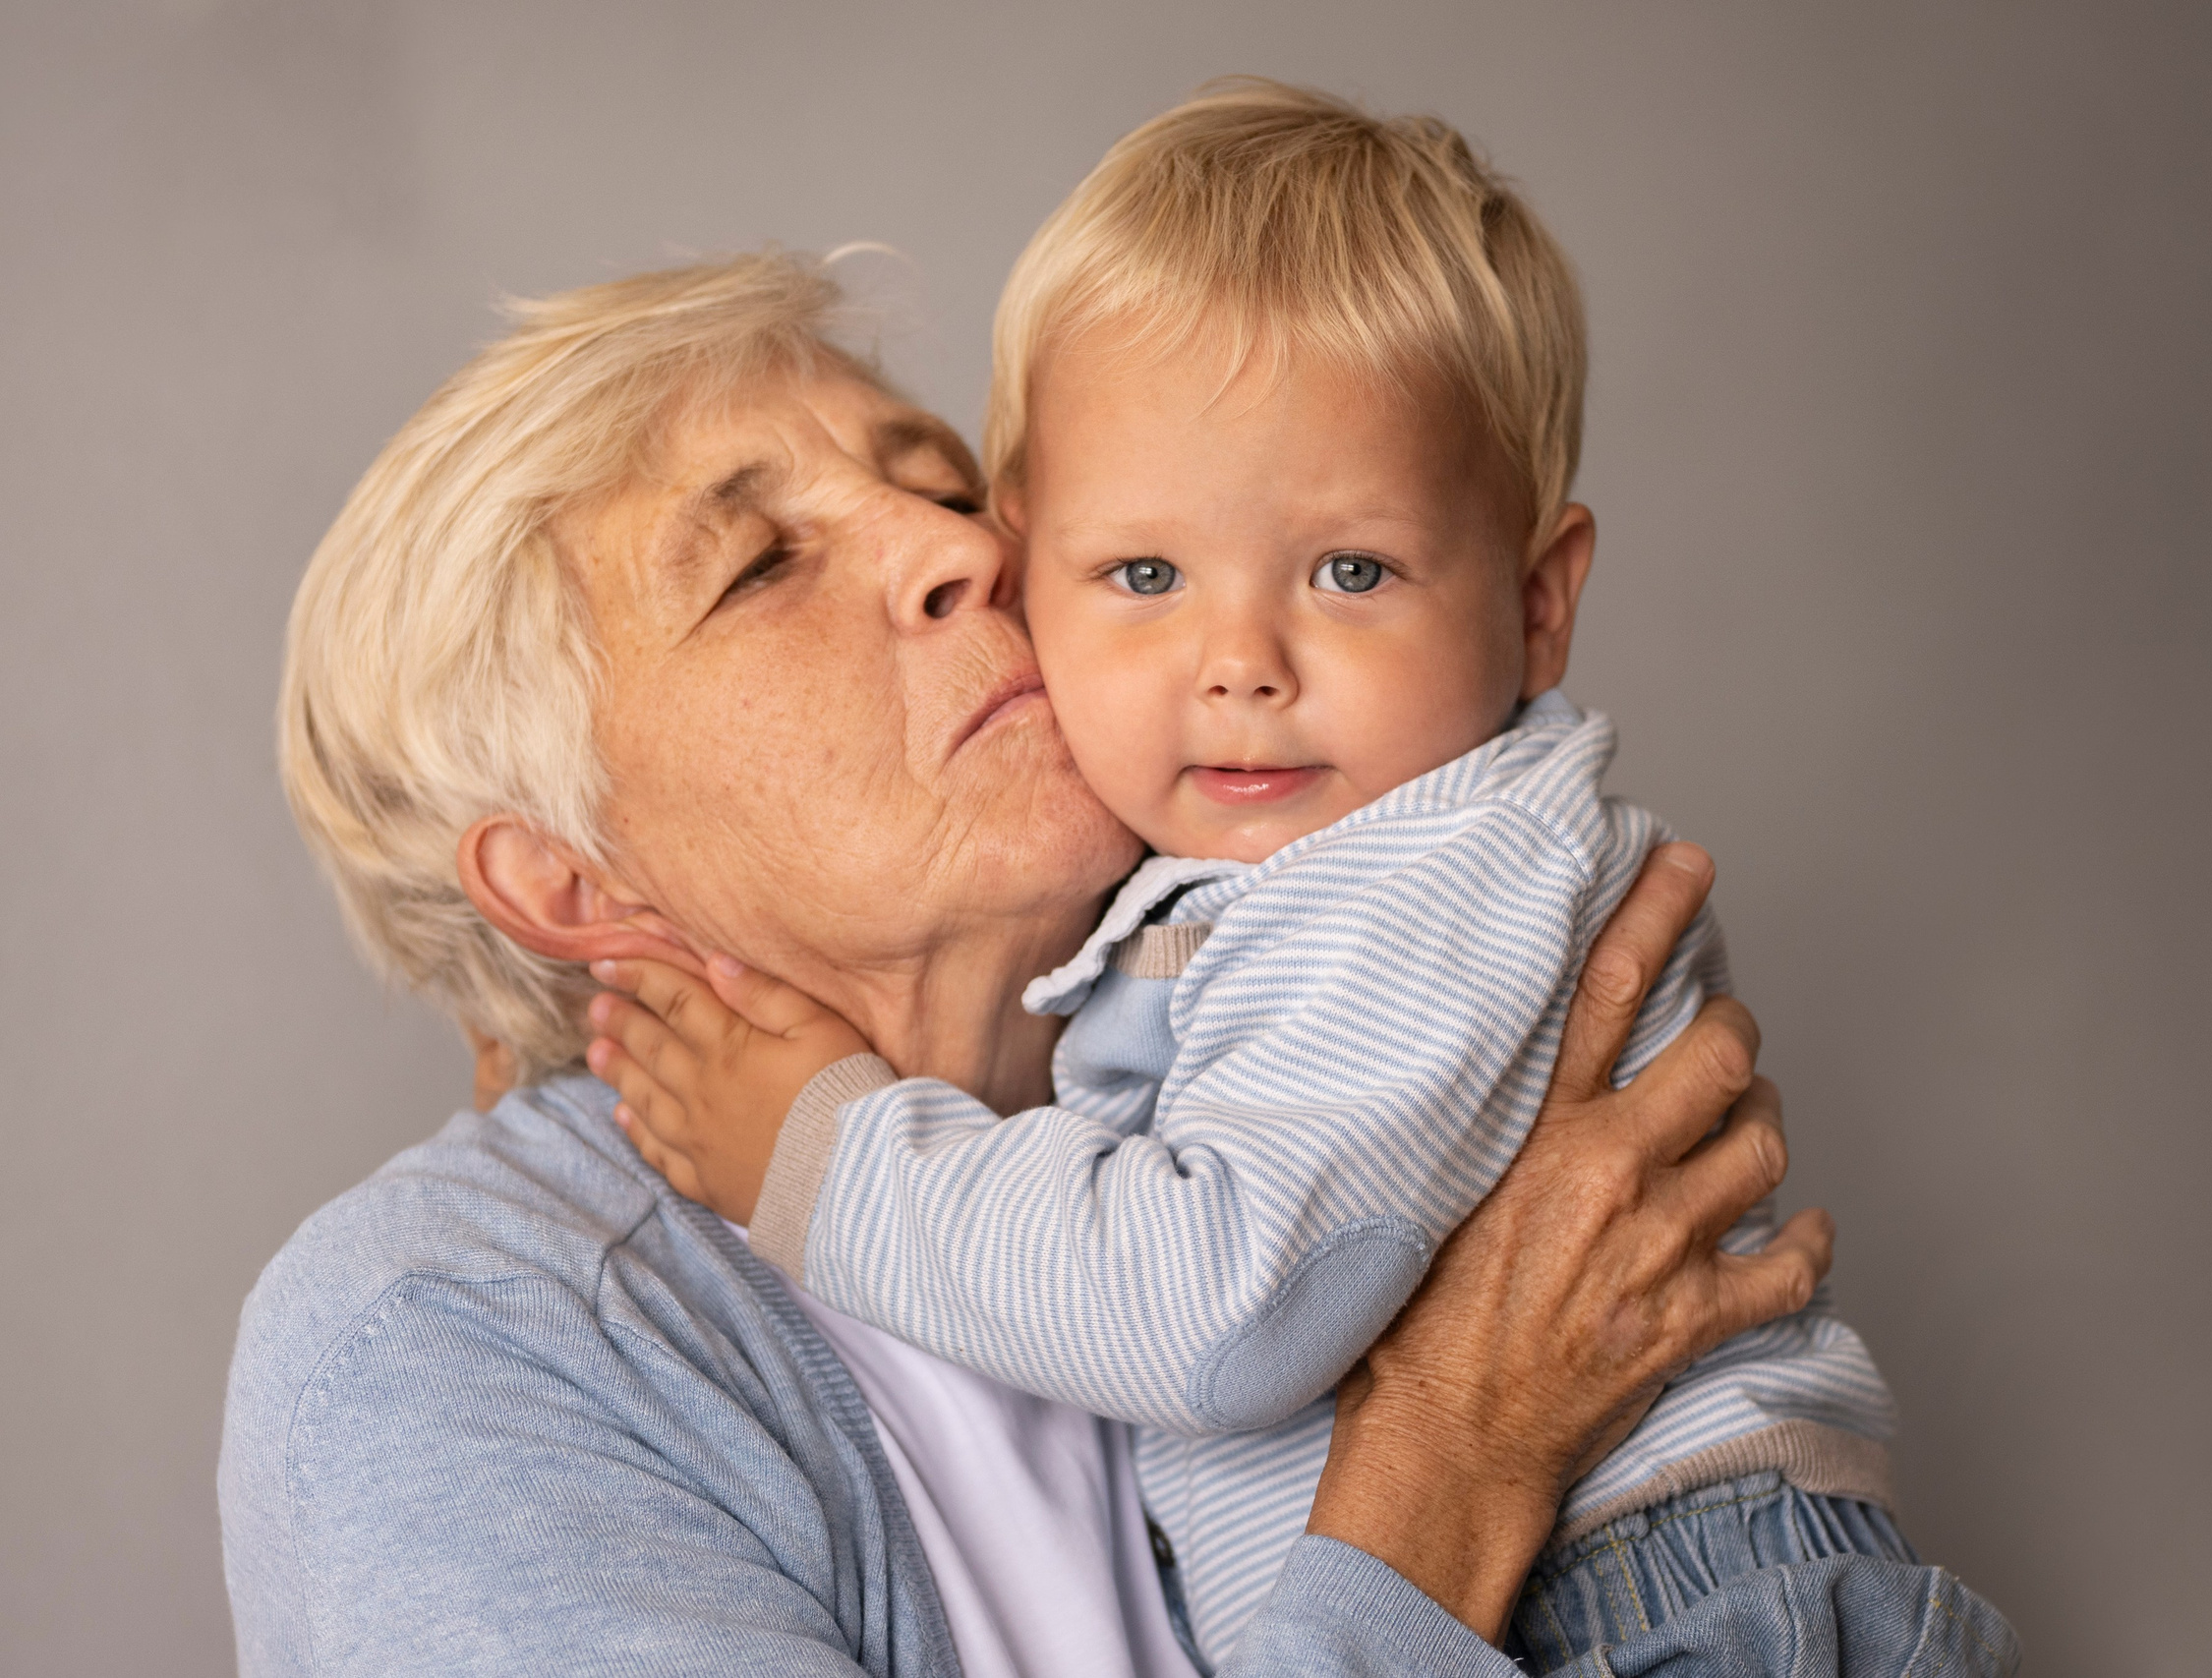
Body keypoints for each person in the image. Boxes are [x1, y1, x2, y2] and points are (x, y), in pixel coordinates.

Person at [227, 245, 2008, 1675]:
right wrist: (1445, 1477)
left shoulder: (1217, 1060)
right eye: (764, 564)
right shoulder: (453, 1342)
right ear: (566, 877)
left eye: (941, 485)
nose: (954, 550)